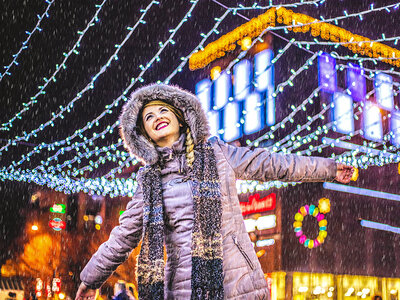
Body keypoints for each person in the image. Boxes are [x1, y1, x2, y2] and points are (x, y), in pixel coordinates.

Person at [75, 84, 353, 300]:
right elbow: (123, 237)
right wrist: (90, 280)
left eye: (163, 110)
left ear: (180, 117)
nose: (157, 117)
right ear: (144, 135)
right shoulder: (149, 183)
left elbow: (273, 164)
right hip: (184, 291)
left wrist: (328, 168)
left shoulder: (219, 153)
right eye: (148, 116)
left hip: (238, 286)